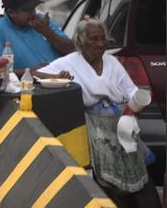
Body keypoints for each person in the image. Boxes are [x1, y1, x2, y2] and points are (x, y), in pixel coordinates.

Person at [40, 19, 159, 207]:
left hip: (121, 123)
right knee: (107, 180)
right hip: (94, 126)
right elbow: (37, 74)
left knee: (137, 173)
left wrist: (131, 113)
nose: (100, 44)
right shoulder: (70, 62)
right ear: (80, 42)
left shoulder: (112, 62)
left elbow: (134, 93)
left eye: (103, 39)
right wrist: (56, 77)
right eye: (93, 39)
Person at [0, 0, 74, 73]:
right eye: (27, 10)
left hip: (63, 80)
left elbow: (72, 51)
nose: (33, 13)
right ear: (11, 12)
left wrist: (47, 32)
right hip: (28, 85)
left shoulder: (43, 20)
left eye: (33, 8)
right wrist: (30, 72)